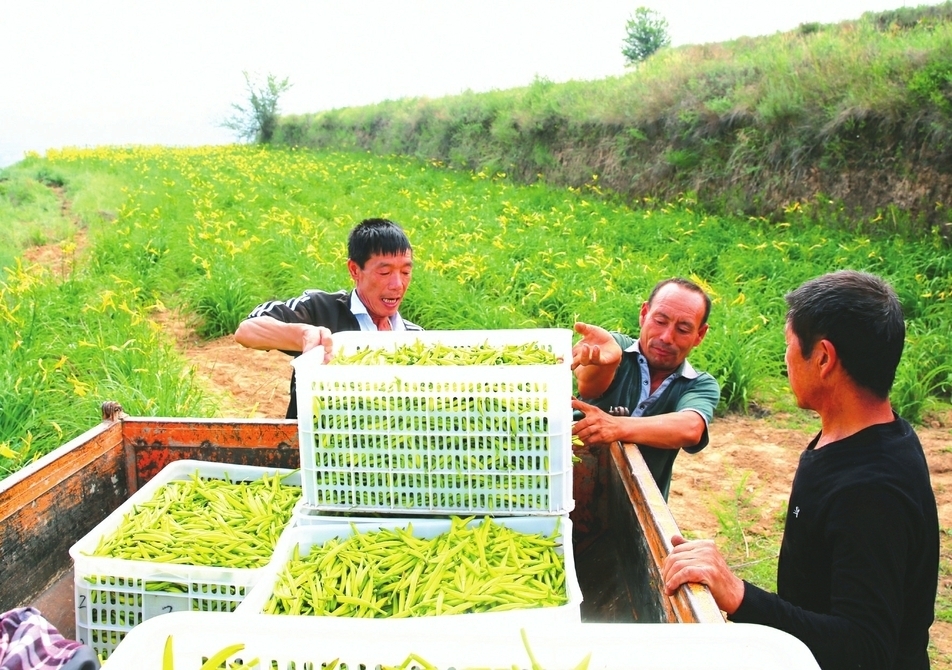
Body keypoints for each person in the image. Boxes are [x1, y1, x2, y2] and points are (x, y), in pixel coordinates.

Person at [661, 270, 939, 670]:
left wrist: (739, 594)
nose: (786, 359)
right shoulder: (856, 437)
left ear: (823, 358)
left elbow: (866, 648)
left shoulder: (873, 490)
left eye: (789, 346)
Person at [234, 218, 421, 419]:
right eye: (384, 272)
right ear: (354, 270)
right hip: (315, 447)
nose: (397, 284)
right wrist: (303, 334)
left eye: (405, 272)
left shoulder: (416, 339)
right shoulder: (321, 310)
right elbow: (247, 331)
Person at [570, 277, 720, 499]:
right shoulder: (616, 348)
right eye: (660, 321)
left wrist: (617, 426)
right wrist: (608, 363)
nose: (667, 337)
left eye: (683, 329)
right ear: (644, 314)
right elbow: (589, 388)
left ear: (700, 335)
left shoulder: (698, 384)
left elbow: (690, 428)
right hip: (576, 490)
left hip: (641, 503)